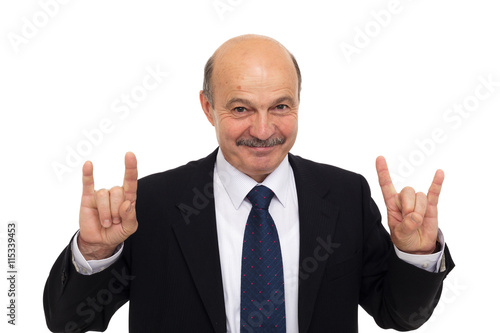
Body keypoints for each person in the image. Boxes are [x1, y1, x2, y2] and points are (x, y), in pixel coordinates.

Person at [44, 34, 454, 333]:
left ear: (298, 101)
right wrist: (96, 249)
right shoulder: (151, 205)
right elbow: (67, 322)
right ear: (208, 107)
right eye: (241, 108)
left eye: (280, 106)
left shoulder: (345, 195)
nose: (263, 130)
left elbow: (400, 315)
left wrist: (415, 255)